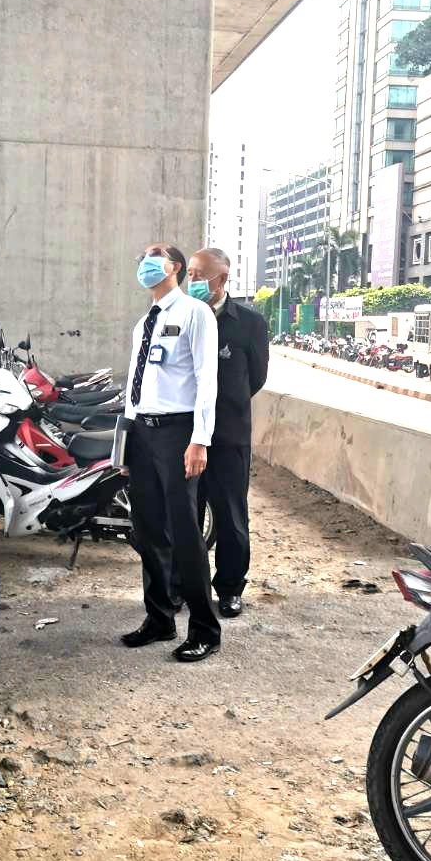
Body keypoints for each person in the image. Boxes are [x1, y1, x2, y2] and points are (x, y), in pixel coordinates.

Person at [121, 241, 221, 662]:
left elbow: (206, 379)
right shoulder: (144, 322)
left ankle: (204, 629)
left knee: (184, 533)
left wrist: (200, 439)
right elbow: (134, 383)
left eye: (154, 255)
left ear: (174, 266)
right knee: (147, 531)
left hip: (178, 433)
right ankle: (160, 617)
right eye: (141, 256)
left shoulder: (195, 313)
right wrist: (126, 442)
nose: (144, 262)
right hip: (142, 435)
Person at [185, 248, 269, 615]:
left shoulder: (249, 323)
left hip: (229, 437)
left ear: (221, 279)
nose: (192, 281)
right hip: (186, 436)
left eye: (199, 275)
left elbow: (256, 378)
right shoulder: (183, 316)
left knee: (232, 516)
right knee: (187, 514)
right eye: (189, 273)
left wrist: (224, 408)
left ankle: (231, 588)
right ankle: (185, 586)